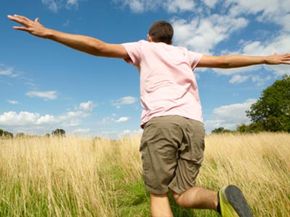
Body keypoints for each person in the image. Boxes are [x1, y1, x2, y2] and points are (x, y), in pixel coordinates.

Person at [8, 15, 290, 217]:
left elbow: (98, 46)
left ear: (150, 37)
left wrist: (50, 33)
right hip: (194, 125)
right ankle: (220, 200)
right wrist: (265, 58)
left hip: (162, 123)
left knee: (159, 195)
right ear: (171, 39)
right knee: (183, 194)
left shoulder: (143, 48)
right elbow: (225, 61)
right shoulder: (184, 54)